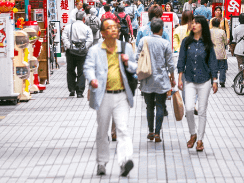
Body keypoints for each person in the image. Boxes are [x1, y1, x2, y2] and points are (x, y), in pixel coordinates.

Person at [83, 18, 137, 177]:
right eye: (109, 28)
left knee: (123, 129)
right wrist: (92, 79)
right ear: (102, 33)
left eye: (116, 27)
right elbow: (88, 67)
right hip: (103, 95)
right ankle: (101, 162)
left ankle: (125, 161)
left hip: (121, 95)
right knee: (102, 130)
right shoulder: (95, 50)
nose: (114, 30)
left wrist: (128, 64)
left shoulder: (125, 47)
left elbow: (135, 67)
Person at [176, 15, 219, 152]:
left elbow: (212, 62)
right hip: (189, 79)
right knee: (188, 108)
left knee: (202, 111)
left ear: (203, 26)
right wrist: (179, 77)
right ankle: (193, 133)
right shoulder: (186, 42)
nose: (193, 25)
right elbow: (181, 59)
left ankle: (200, 140)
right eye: (192, 23)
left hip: (204, 80)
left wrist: (215, 80)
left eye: (197, 23)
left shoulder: (207, 43)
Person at [137, 18, 175, 143]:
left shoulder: (143, 40)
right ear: (161, 30)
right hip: (161, 79)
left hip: (147, 79)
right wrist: (172, 77)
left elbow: (137, 57)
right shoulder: (165, 43)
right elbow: (170, 64)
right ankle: (158, 133)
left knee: (149, 106)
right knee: (160, 105)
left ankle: (150, 131)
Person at [63, 12, 94, 98]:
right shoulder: (87, 28)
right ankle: (80, 92)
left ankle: (72, 89)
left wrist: (69, 46)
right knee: (82, 72)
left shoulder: (68, 27)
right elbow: (90, 40)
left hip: (71, 52)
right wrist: (85, 46)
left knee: (70, 70)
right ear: (84, 19)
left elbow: (64, 37)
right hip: (83, 53)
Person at [209, 17, 228, 86]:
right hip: (221, 52)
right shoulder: (222, 31)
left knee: (212, 67)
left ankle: (212, 81)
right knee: (222, 68)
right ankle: (222, 81)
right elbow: (226, 42)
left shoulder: (209, 31)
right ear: (219, 24)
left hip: (211, 52)